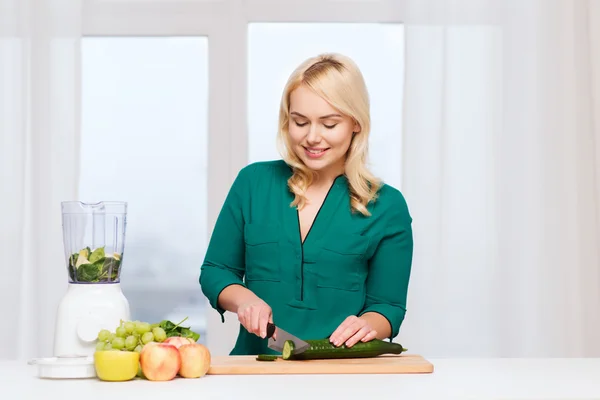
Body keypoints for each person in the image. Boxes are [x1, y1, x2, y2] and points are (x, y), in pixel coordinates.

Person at [199, 53, 413, 356]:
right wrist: (244, 299)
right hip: (254, 369)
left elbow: (388, 306)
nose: (312, 137)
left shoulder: (387, 206)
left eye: (329, 124)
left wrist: (368, 324)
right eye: (300, 122)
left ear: (355, 122)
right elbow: (216, 270)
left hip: (347, 376)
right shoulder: (253, 183)